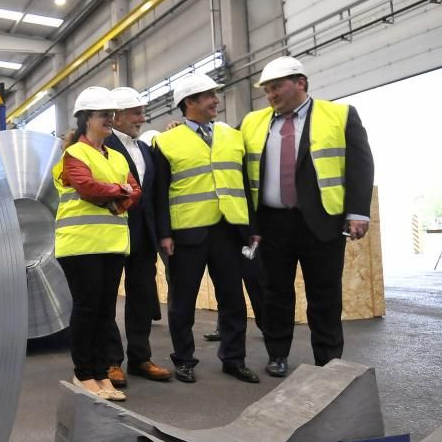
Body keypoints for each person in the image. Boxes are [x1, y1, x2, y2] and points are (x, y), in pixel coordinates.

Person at [240, 56, 374, 376]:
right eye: (267, 90)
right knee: (275, 293)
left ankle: (328, 360)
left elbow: (360, 164)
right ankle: (277, 354)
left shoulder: (339, 115)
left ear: (300, 83)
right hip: (272, 224)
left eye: (277, 87)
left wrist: (358, 212)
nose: (271, 95)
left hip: (322, 221)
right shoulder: (251, 122)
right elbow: (221, 146)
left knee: (324, 294)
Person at [152, 73, 260, 384]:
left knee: (232, 299)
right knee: (183, 301)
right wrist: (165, 234)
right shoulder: (166, 141)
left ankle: (233, 358)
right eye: (209, 96)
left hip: (229, 230)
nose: (216, 100)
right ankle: (184, 359)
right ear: (189, 103)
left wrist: (251, 226)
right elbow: (160, 193)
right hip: (188, 231)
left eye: (215, 94)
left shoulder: (231, 135)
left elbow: (242, 182)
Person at [53, 86, 141, 402]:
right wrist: (119, 191)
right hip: (80, 246)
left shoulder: (116, 156)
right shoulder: (74, 154)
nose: (110, 119)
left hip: (111, 244)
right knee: (87, 308)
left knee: (105, 311)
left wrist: (119, 197)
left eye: (111, 115)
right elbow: (87, 187)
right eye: (104, 114)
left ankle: (102, 373)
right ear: (86, 119)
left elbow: (135, 190)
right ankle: (83, 373)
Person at [105, 87, 172, 386]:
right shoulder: (101, 146)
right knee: (107, 299)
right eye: (136, 113)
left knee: (142, 296)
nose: (142, 118)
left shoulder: (145, 150)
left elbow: (158, 196)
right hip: (111, 234)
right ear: (116, 116)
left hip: (144, 237)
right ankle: (110, 361)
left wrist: (163, 234)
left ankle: (140, 357)